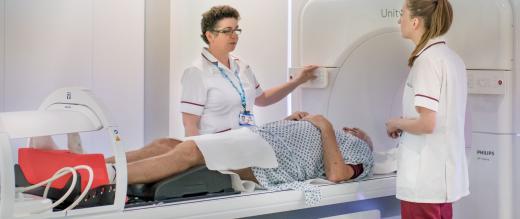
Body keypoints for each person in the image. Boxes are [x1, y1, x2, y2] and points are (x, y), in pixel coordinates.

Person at [106, 112, 374, 205]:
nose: (352, 130)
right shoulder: (334, 135)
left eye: (359, 132)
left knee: (190, 153)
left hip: (271, 158)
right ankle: (92, 163)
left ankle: (99, 177)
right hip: (258, 138)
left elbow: (337, 174)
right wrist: (289, 123)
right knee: (164, 143)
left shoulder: (361, 152)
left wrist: (324, 126)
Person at [385, 0, 468, 218]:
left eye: (402, 13)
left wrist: (396, 122)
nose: (398, 19)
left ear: (415, 22)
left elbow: (427, 123)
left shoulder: (427, 62)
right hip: (441, 181)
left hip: (423, 182)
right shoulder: (451, 59)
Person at [180, 5, 318, 136]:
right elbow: (190, 125)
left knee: (308, 127)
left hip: (250, 141)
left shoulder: (241, 66)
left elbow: (262, 99)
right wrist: (201, 159)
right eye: (227, 31)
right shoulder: (196, 72)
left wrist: (298, 81)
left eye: (236, 30)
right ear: (210, 36)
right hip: (219, 148)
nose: (234, 35)